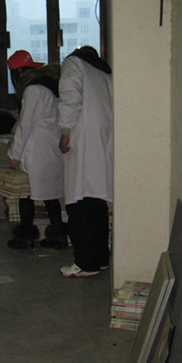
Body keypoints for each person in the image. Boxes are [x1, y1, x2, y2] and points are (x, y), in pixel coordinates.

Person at [57, 46, 113, 278]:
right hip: (101, 142)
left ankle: (86, 263)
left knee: (79, 206)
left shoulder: (74, 64)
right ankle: (100, 258)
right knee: (97, 202)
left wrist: (65, 131)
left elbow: (69, 98)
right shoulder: (105, 72)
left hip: (83, 139)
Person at [5, 50, 66, 250]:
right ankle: (58, 235)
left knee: (26, 193)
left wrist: (14, 154)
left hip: (37, 150)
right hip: (50, 148)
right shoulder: (49, 86)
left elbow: (25, 124)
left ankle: (25, 237)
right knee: (50, 195)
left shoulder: (33, 90)